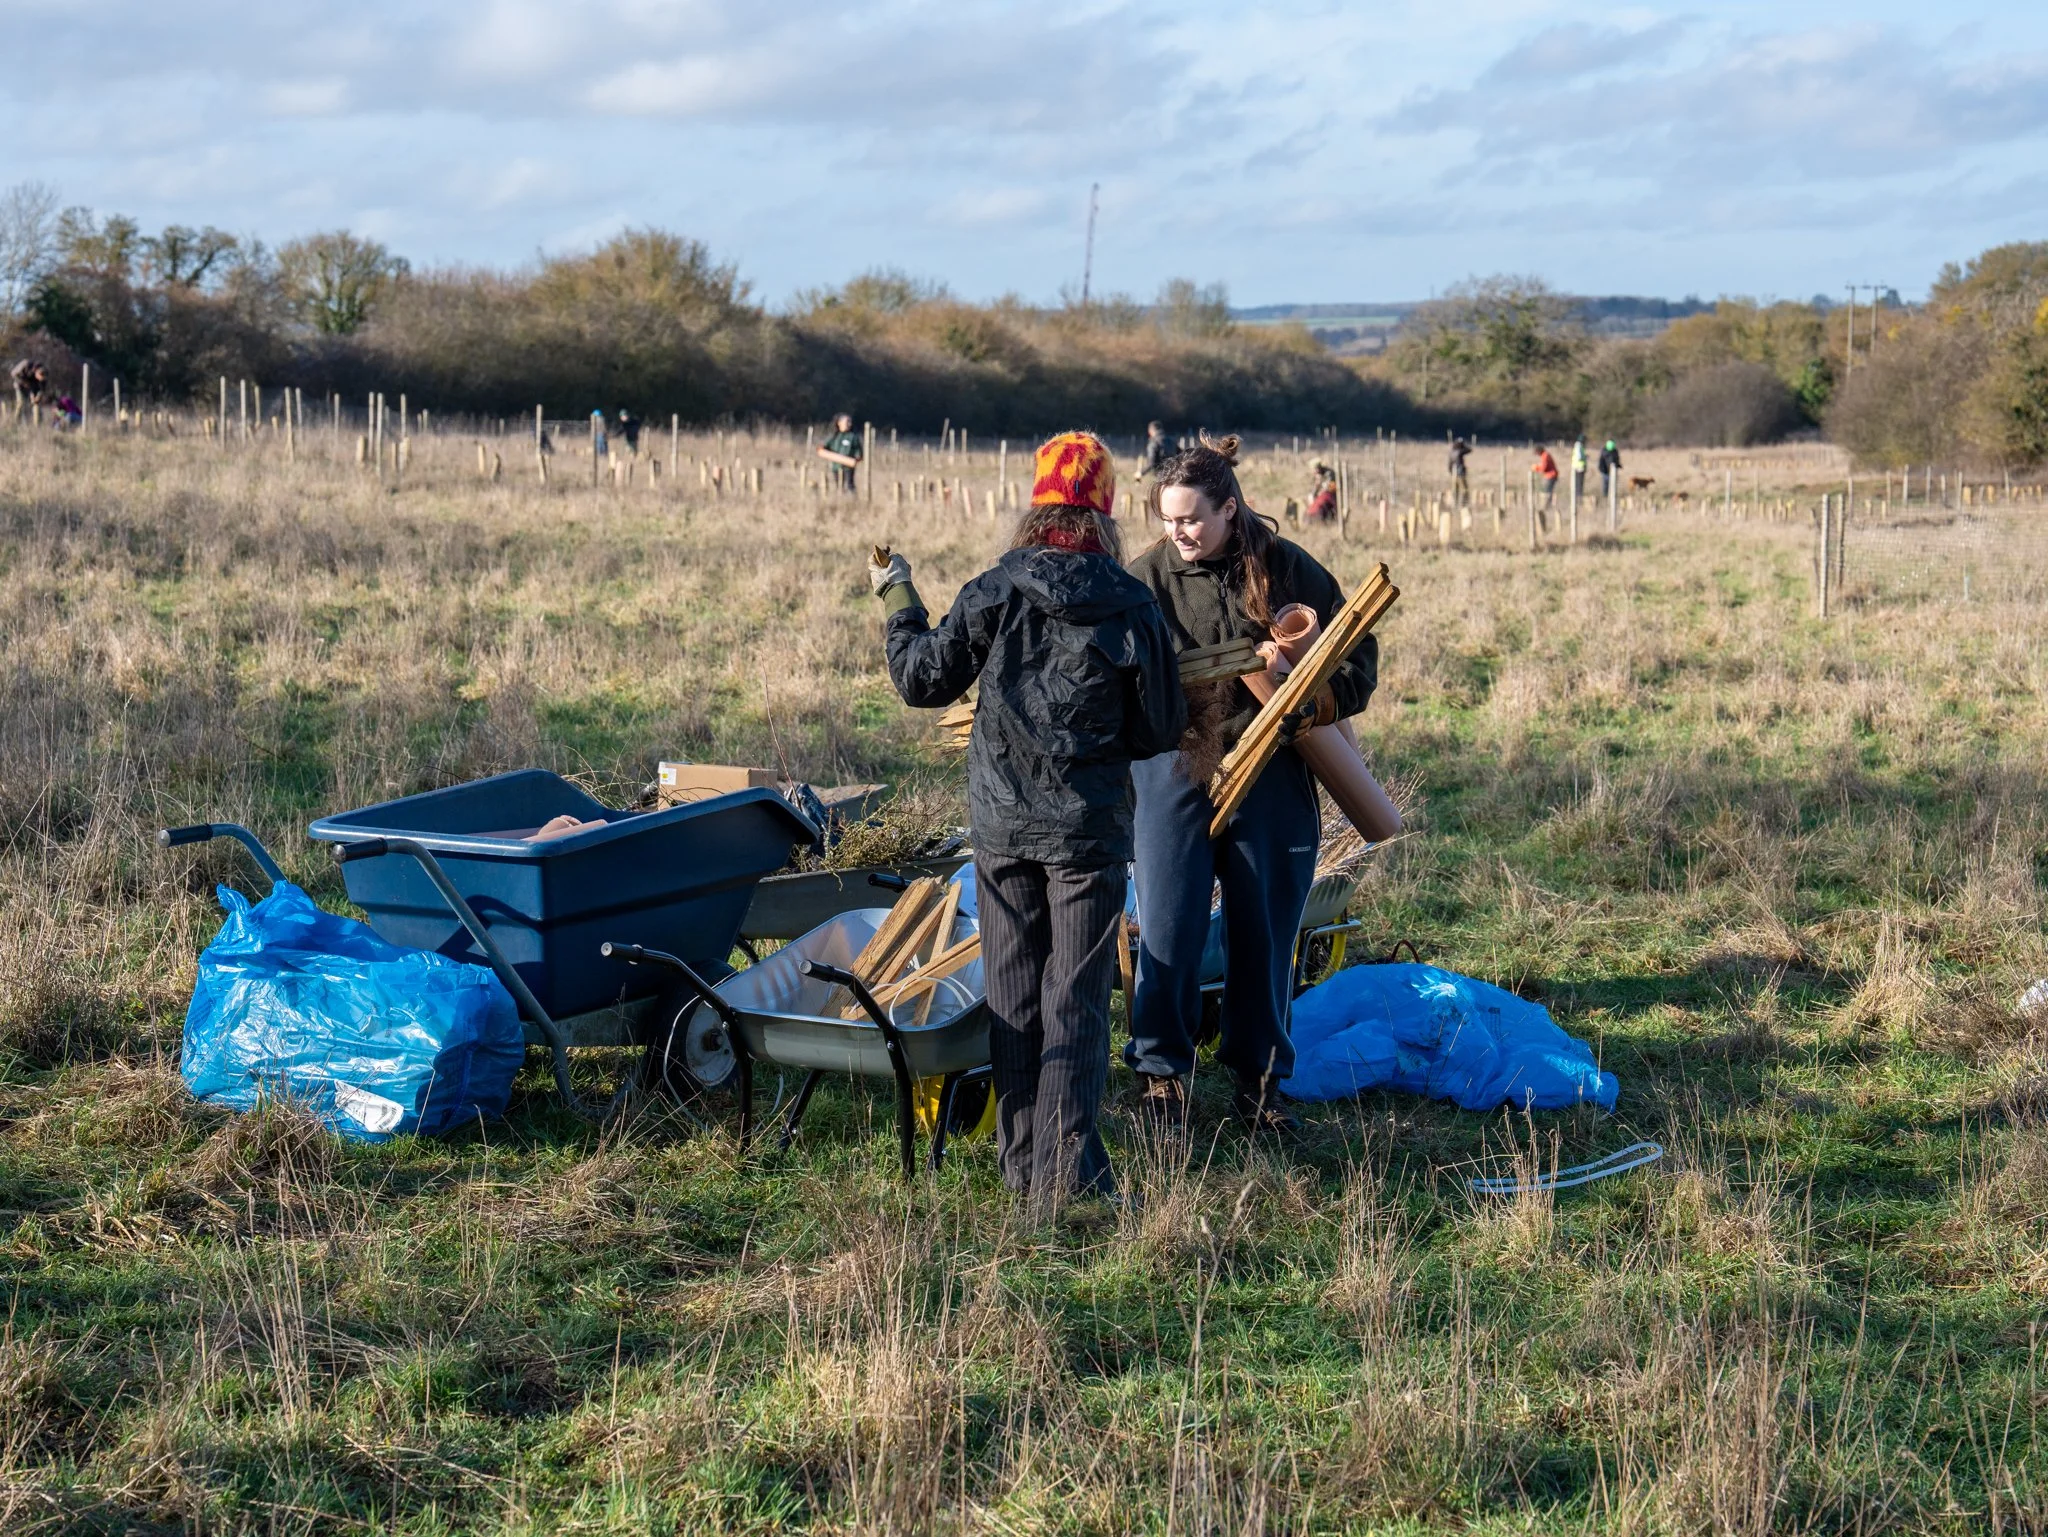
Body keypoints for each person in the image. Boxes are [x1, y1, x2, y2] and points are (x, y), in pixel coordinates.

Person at [871, 431, 1184, 1209]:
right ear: (1106, 511)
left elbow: (920, 680)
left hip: (1004, 830)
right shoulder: (1132, 600)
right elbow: (1159, 729)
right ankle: (1064, 1175)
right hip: (1088, 832)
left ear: (1038, 503)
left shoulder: (994, 588)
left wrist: (895, 595)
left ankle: (1023, 1171)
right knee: (1074, 999)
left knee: (1012, 995)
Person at [1126, 434, 1380, 1134]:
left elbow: (1356, 664)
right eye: (1169, 519)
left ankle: (1261, 1081)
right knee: (1170, 922)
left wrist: (1304, 692)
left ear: (1230, 509)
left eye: (1192, 518)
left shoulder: (1289, 569)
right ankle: (1161, 1077)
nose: (1178, 532)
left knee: (1265, 927)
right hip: (1174, 764)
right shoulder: (1144, 579)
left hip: (1272, 764)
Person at [819, 413, 863, 493]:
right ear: (839, 423)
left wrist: (855, 459)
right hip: (836, 466)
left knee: (849, 486)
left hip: (848, 467)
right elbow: (823, 447)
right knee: (839, 486)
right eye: (847, 422)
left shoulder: (853, 437)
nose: (849, 424)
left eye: (850, 422)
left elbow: (859, 452)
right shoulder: (834, 436)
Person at [1532, 444, 1559, 513]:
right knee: (1548, 491)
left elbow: (1544, 468)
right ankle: (1547, 506)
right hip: (1551, 475)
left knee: (1546, 492)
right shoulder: (1546, 455)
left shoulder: (1545, 456)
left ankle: (1546, 507)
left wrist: (1536, 468)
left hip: (1550, 476)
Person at [1448, 437, 1472, 503]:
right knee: (1465, 488)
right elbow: (1469, 450)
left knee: (1455, 489)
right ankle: (1464, 503)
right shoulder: (1460, 451)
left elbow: (1449, 464)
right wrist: (1463, 446)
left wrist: (1450, 472)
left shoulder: (1451, 452)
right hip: (1460, 473)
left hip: (1453, 473)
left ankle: (1455, 502)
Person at [1570, 438, 1588, 503]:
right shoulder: (1579, 446)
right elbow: (1579, 457)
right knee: (1579, 484)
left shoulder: (1578, 446)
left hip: (1577, 467)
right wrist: (1585, 457)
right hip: (1579, 468)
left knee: (1578, 484)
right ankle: (1578, 498)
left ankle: (1578, 497)